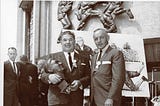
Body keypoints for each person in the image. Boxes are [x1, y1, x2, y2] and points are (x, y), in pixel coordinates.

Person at [41, 31, 91, 106]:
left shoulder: (83, 59)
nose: (68, 42)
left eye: (70, 39)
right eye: (64, 40)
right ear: (61, 42)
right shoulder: (52, 57)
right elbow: (42, 75)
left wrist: (80, 82)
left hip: (76, 101)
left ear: (74, 41)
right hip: (57, 101)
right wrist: (49, 77)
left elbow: (88, 77)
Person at [91, 28, 125, 106]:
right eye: (96, 39)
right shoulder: (94, 56)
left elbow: (118, 78)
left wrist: (111, 97)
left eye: (101, 37)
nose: (99, 41)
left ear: (107, 38)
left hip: (108, 100)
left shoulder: (116, 53)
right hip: (95, 100)